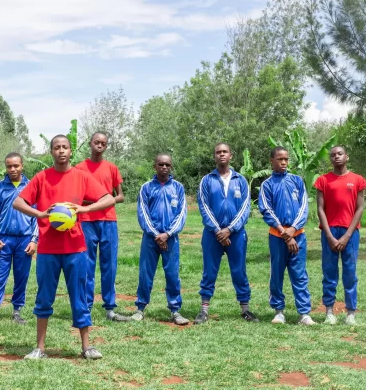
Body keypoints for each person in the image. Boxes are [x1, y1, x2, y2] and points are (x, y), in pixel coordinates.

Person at [13, 135, 115, 360]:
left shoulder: (81, 177)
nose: (61, 151)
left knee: (79, 297)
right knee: (44, 297)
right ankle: (40, 348)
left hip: (76, 249)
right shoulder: (42, 178)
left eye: (65, 147)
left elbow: (109, 199)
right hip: (48, 250)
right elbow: (18, 202)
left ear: (71, 151)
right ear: (51, 152)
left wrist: (84, 210)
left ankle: (87, 347)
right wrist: (39, 213)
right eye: (57, 147)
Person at [195, 143, 257, 324]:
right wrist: (217, 230)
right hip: (212, 235)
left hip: (236, 235)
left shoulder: (241, 180)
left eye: (225, 152)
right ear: (214, 156)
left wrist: (230, 229)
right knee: (209, 271)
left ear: (231, 155)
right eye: (218, 152)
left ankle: (245, 309)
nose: (221, 154)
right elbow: (204, 206)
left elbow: (245, 207)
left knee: (239, 271)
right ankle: (204, 310)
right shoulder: (207, 180)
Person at [258, 146, 315, 325]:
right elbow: (266, 210)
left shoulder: (297, 181)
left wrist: (293, 231)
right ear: (272, 161)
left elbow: (304, 208)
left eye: (286, 159)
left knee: (299, 274)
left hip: (298, 236)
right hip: (277, 237)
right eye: (280, 159)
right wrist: (285, 234)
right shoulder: (267, 185)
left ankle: (304, 313)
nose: (284, 162)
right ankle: (279, 311)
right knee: (277, 273)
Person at [131, 154, 189, 325]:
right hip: (150, 239)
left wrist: (168, 234)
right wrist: (156, 234)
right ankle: (140, 309)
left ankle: (175, 310)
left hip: (170, 239)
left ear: (171, 167)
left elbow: (181, 214)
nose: (164, 167)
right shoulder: (146, 188)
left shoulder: (178, 188)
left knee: (172, 274)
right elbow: (143, 213)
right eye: (161, 164)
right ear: (154, 166)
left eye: (167, 164)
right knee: (145, 273)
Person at [75, 132, 128, 322]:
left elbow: (120, 196)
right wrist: (95, 202)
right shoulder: (79, 168)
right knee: (87, 264)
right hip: (87, 221)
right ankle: (86, 306)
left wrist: (103, 202)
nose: (100, 145)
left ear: (106, 146)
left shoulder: (112, 168)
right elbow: (76, 195)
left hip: (108, 221)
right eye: (96, 142)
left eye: (103, 143)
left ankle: (110, 309)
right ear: (90, 143)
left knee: (110, 265)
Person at [0, 152, 38, 326]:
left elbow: (37, 215)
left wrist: (34, 239)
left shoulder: (31, 186)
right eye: (9, 166)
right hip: (3, 239)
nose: (13, 169)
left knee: (21, 276)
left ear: (22, 166)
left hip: (25, 239)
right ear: (5, 167)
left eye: (16, 166)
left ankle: (17, 311)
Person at [314, 146, 366, 325]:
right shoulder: (323, 180)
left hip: (350, 232)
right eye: (333, 155)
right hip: (329, 231)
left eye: (340, 154)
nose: (336, 157)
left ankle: (350, 312)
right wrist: (329, 235)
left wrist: (347, 236)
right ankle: (329, 311)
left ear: (347, 157)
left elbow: (360, 208)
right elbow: (320, 209)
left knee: (350, 273)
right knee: (329, 272)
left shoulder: (357, 180)